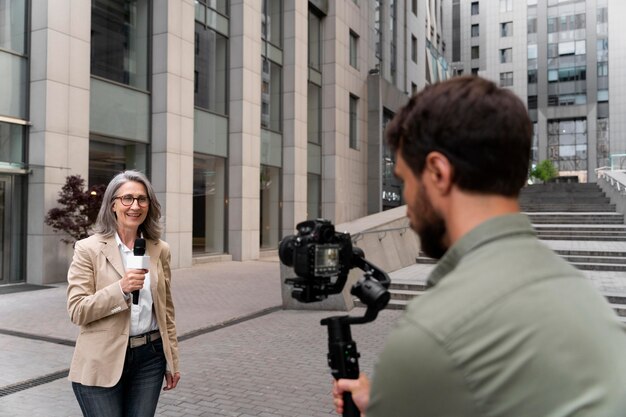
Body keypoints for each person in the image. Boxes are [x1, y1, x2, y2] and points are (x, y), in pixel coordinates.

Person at [332, 76, 626, 416]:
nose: (406, 201)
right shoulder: (585, 298)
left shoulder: (434, 335)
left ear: (438, 173)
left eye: (405, 181)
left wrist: (394, 398)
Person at [67, 170, 180, 417]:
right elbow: (77, 310)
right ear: (113, 204)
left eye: (142, 199)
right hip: (100, 359)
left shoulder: (160, 249)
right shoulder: (88, 249)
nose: (135, 206)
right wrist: (121, 289)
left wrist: (172, 360)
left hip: (150, 359)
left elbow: (165, 310)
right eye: (127, 198)